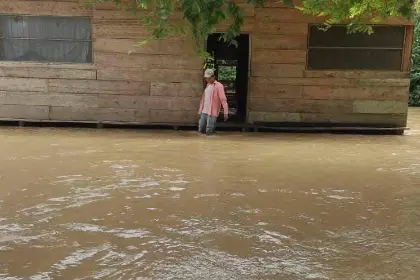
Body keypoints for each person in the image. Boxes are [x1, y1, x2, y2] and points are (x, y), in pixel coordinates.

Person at [198, 69, 229, 135]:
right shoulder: (207, 85)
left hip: (212, 112)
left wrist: (226, 112)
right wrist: (200, 110)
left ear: (213, 77)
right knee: (201, 129)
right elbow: (204, 99)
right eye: (206, 78)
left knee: (209, 131)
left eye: (209, 78)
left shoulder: (219, 86)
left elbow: (223, 99)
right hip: (204, 111)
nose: (207, 80)